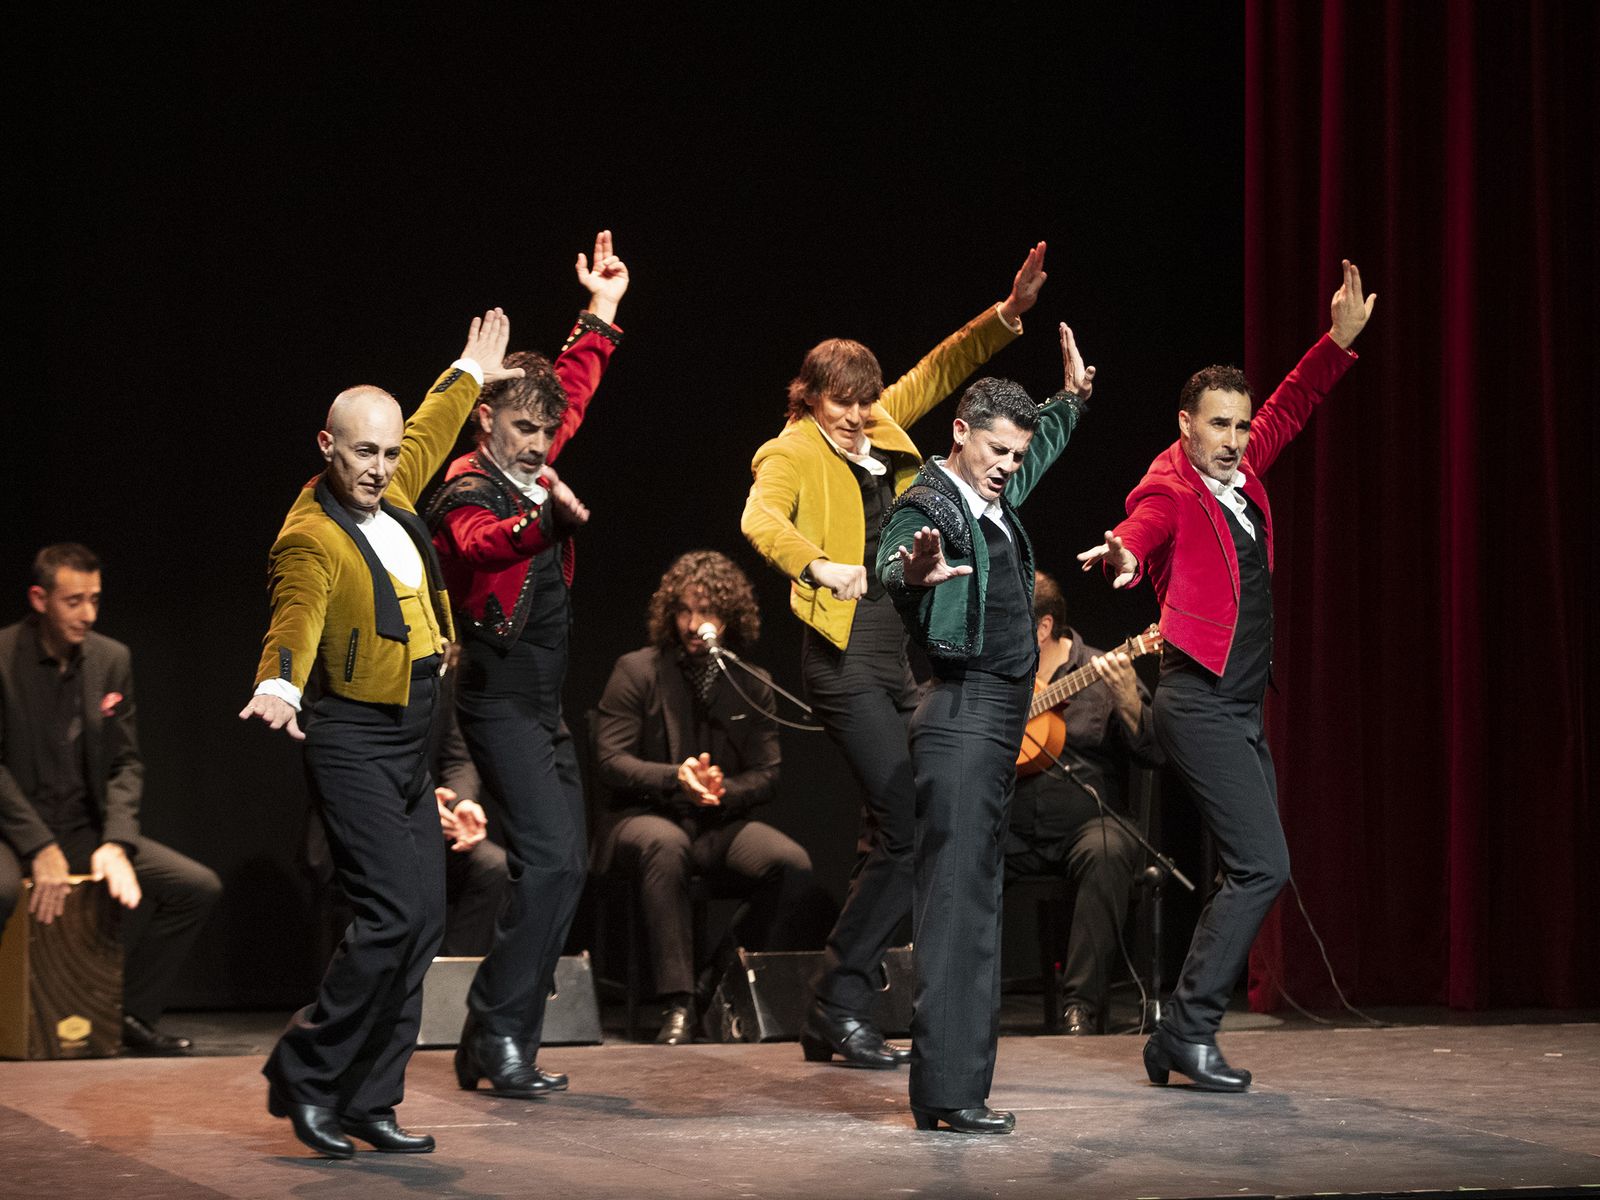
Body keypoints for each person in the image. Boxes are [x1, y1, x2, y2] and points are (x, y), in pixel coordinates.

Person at [741, 243, 1048, 1069]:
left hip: (898, 652)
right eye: (839, 402)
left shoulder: (880, 424)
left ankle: (833, 1007)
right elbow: (759, 522)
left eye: (863, 402)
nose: (855, 415)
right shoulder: (792, 450)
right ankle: (841, 997)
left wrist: (1008, 314)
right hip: (841, 655)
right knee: (909, 819)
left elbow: (941, 369)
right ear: (809, 398)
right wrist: (821, 564)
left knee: (896, 827)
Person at [1078, 259, 1375, 1091]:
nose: (1235, 439)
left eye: (1240, 427)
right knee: (1263, 866)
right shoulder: (1174, 482)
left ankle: (1179, 1034)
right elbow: (1143, 524)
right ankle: (1189, 1030)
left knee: (1252, 867)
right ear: (1186, 424)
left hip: (1240, 705)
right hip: (1197, 699)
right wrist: (1126, 554)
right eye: (1218, 426)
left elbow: (1291, 405)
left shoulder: (1242, 474)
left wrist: (1336, 344)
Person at [239, 307, 520, 1158]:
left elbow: (431, 427)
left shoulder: (394, 491)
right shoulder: (310, 537)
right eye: (364, 452)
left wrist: (467, 371)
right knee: (392, 913)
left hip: (411, 733)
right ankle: (306, 1071)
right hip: (352, 737)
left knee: (424, 919)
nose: (382, 468)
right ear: (326, 447)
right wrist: (280, 680)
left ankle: (371, 1097)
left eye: (389, 454)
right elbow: (295, 616)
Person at [878, 324, 1096, 1135]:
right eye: (995, 449)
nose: (1008, 465)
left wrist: (1070, 400)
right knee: (958, 906)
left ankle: (956, 1085)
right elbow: (892, 556)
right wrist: (912, 571)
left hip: (996, 719)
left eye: (1017, 453)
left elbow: (1035, 452)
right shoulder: (928, 505)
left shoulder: (991, 495)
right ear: (959, 434)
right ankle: (945, 1093)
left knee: (976, 899)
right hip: (961, 713)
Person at [426, 231, 627, 1098]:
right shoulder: (468, 488)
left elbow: (571, 388)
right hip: (497, 700)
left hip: (545, 704)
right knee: (544, 862)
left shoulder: (537, 450)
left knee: (567, 866)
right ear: (485, 420)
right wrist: (547, 523)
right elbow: (481, 544)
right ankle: (497, 1037)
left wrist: (602, 310)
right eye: (523, 428)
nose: (541, 443)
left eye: (546, 431)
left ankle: (498, 1039)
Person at [0, 543, 221, 1056]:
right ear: (39, 598)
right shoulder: (3, 657)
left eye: (94, 600)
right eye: (73, 601)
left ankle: (128, 1014)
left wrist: (117, 842)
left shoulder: (110, 658)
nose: (87, 614)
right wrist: (36, 845)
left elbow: (126, 763)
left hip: (83, 830)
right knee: (3, 890)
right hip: (13, 831)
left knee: (195, 887)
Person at [594, 550, 818, 1044]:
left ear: (729, 618)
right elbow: (611, 760)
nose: (694, 624)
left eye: (706, 612)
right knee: (664, 845)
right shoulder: (636, 670)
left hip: (716, 821)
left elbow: (769, 773)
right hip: (645, 816)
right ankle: (677, 1004)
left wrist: (723, 790)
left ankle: (714, 977)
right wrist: (677, 777)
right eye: (684, 611)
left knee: (791, 863)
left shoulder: (750, 681)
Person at [1004, 570, 1162, 1035]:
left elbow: (1153, 751)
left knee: (1109, 849)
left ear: (1043, 628)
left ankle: (1082, 1008)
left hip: (1085, 823)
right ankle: (956, 1002)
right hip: (1011, 823)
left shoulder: (1101, 669)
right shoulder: (1000, 671)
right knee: (956, 847)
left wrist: (1129, 698)